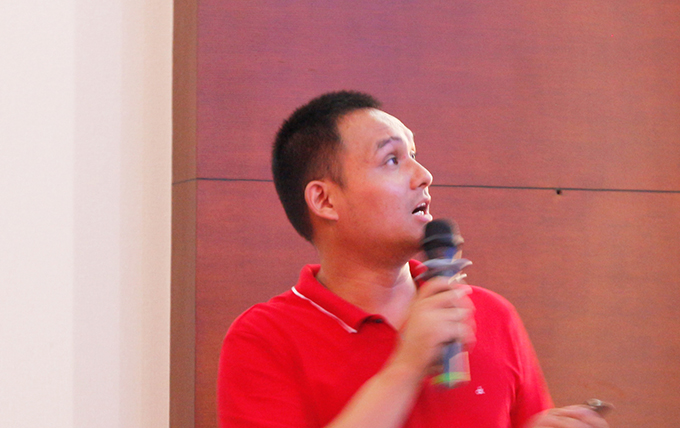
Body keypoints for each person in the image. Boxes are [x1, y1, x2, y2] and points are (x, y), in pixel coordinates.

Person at [217, 91, 609, 428]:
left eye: (415, 155)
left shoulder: (491, 315)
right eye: (392, 159)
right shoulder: (263, 339)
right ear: (325, 200)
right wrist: (406, 366)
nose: (423, 175)